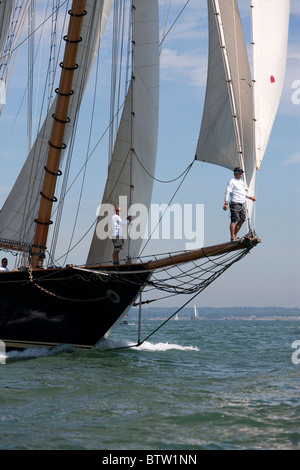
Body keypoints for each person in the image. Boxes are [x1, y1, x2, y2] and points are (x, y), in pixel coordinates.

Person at [223, 167, 256, 241]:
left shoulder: (241, 182)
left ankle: (235, 235)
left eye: (242, 172)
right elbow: (227, 192)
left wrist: (250, 197)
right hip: (235, 203)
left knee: (242, 219)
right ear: (236, 173)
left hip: (241, 203)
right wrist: (226, 203)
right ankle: (232, 237)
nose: (242, 174)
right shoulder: (232, 181)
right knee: (234, 220)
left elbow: (243, 193)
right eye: (240, 172)